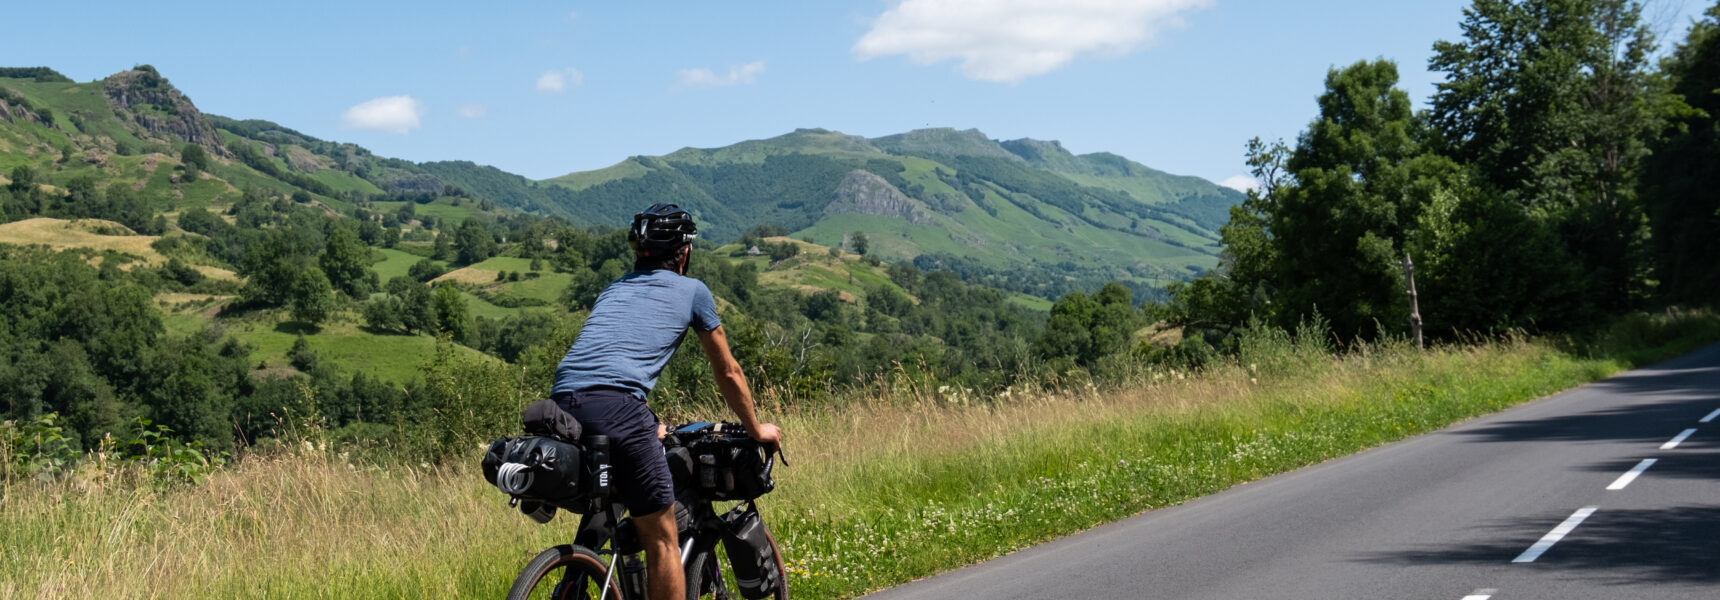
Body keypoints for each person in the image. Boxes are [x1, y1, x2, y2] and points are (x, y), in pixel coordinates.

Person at [549, 203, 783, 600]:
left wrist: (648, 421)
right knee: (662, 539)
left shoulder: (615, 288)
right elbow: (728, 372)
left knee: (613, 499)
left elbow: (606, 367)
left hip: (562, 404)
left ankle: (580, 576)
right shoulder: (693, 291)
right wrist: (756, 429)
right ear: (685, 253)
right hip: (619, 410)